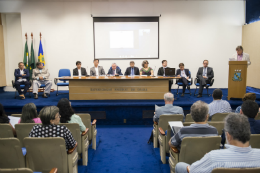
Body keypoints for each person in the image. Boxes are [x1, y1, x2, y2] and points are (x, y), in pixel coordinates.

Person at [175, 113, 260, 173]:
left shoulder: (213, 157)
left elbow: (193, 171)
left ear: (228, 136)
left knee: (180, 165)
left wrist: (205, 159)